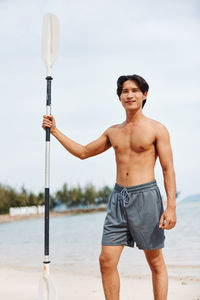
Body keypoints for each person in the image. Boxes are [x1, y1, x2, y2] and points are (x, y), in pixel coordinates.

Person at [42, 74, 177, 300]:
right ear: (120, 98)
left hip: (146, 198)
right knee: (106, 261)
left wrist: (171, 206)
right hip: (118, 199)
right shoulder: (113, 131)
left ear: (144, 95)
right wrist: (55, 131)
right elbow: (84, 152)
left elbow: (167, 169)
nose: (130, 95)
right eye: (125, 91)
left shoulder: (157, 129)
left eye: (135, 90)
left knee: (154, 261)